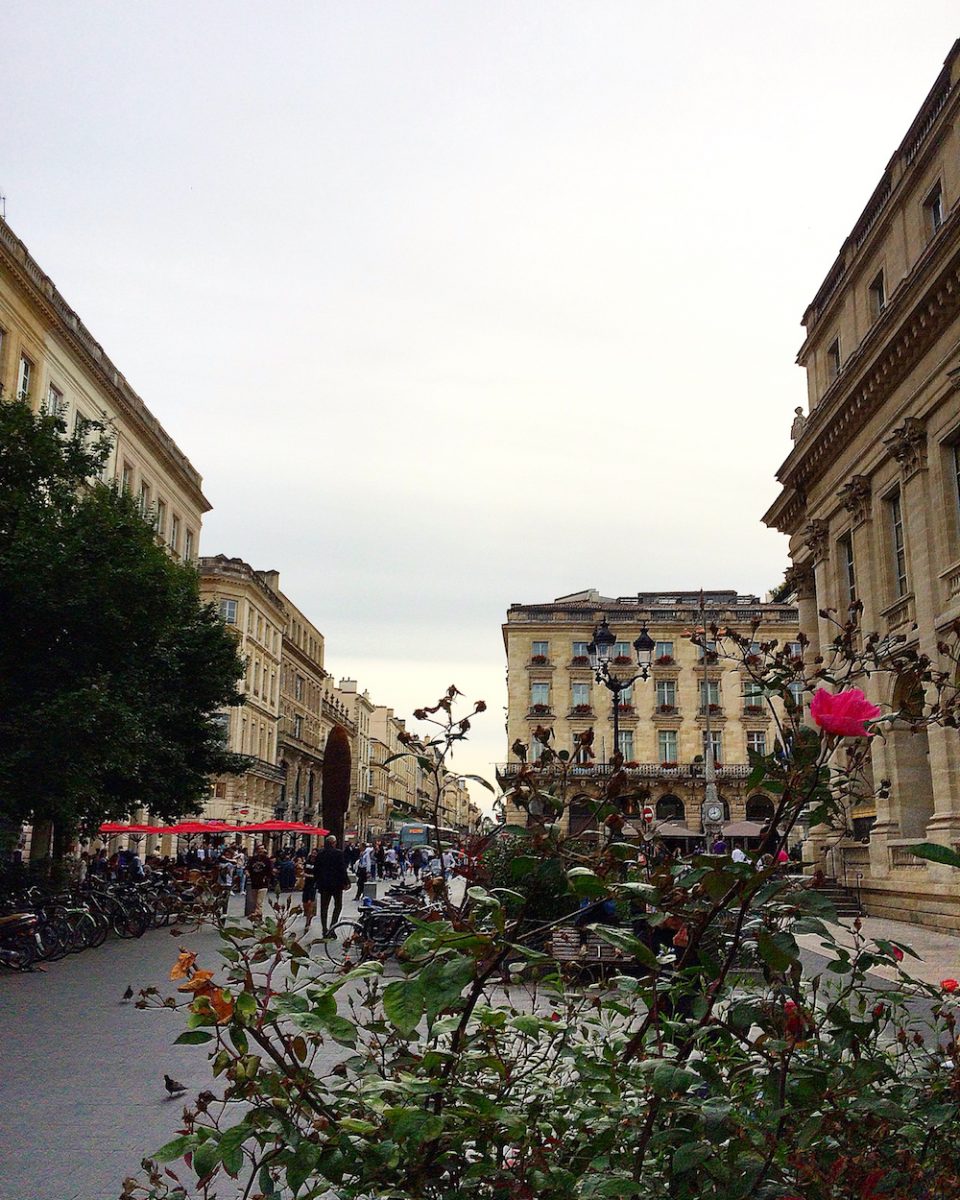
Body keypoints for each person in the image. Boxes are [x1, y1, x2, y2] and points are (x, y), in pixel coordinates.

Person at [314, 835, 350, 938]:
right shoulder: (338, 853)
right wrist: (346, 881)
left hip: (324, 884)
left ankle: (324, 929)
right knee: (338, 905)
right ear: (333, 843)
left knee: (324, 907)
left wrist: (318, 882)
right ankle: (332, 927)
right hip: (337, 885)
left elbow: (316, 870)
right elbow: (342, 869)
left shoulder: (320, 854)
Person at [245, 845, 274, 919]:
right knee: (254, 903)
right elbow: (247, 868)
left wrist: (266, 878)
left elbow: (270, 871)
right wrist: (247, 872)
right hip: (254, 882)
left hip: (263, 884)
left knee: (259, 902)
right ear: (257, 850)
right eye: (260, 849)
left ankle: (257, 919)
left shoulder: (267, 860)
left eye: (263, 848)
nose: (261, 850)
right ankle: (259, 918)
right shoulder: (252, 859)